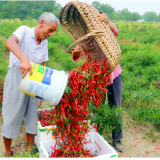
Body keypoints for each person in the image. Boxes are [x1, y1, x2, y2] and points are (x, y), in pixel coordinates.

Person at [2, 12, 59, 157]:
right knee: (11, 113)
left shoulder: (44, 43)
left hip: (35, 79)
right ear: (41, 23)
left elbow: (42, 64)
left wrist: (42, 90)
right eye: (50, 30)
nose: (51, 34)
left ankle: (29, 149)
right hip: (17, 75)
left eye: (54, 32)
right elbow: (9, 42)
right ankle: (8, 151)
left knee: (32, 114)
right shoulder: (24, 30)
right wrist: (24, 59)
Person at [71, 11, 124, 152]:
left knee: (115, 107)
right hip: (96, 77)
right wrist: (76, 52)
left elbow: (115, 30)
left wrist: (108, 22)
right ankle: (98, 135)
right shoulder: (85, 37)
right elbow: (78, 51)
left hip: (114, 73)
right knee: (97, 106)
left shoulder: (103, 27)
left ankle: (117, 138)